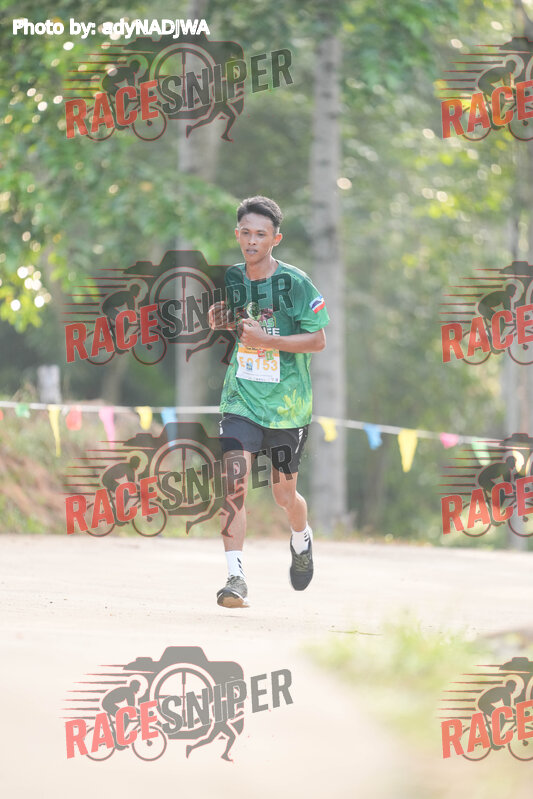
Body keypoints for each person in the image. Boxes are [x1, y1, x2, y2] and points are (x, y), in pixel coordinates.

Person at [208, 196, 329, 608]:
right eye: (245, 233)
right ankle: (235, 577)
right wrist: (223, 320)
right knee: (234, 483)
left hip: (286, 407)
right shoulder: (233, 276)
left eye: (260, 234)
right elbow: (241, 324)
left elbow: (318, 340)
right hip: (240, 397)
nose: (252, 240)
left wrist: (269, 341)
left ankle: (301, 538)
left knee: (283, 496)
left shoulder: (296, 283)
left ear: (276, 239)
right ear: (237, 234)